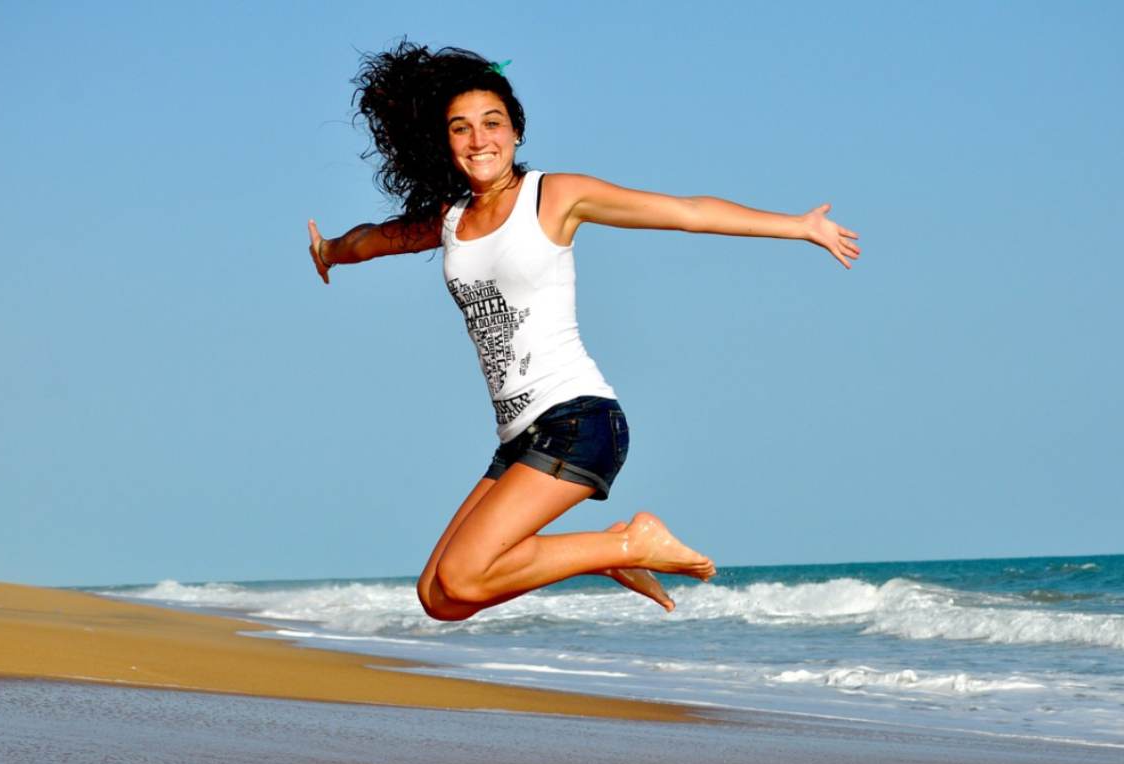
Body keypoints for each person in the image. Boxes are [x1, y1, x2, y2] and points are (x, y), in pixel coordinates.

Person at [307, 43, 860, 622]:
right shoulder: (451, 221)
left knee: (465, 575)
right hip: (519, 437)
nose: (479, 140)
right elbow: (373, 239)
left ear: (516, 131)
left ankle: (627, 543)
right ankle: (604, 553)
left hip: (577, 421)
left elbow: (685, 211)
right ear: (444, 143)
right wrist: (329, 251)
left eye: (492, 124)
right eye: (461, 128)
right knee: (439, 596)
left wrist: (798, 227)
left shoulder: (554, 197)